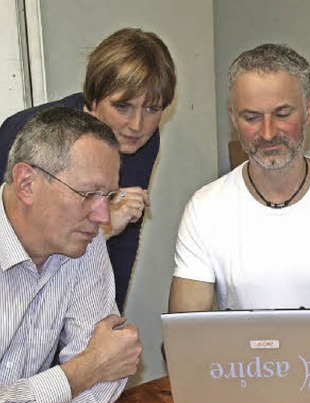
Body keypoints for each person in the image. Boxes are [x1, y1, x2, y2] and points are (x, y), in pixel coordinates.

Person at [169, 43, 310, 365]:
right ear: (233, 117)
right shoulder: (205, 207)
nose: (267, 133)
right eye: (251, 117)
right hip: (244, 378)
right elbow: (182, 336)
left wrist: (300, 364)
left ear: (309, 111)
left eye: (282, 114)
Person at [0, 108, 143, 403]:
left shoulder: (84, 241)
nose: (102, 216)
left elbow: (107, 382)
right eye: (87, 194)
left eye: (109, 196)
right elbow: (97, 367)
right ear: (26, 183)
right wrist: (82, 369)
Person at [0, 27, 177, 312]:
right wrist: (103, 230)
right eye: (123, 106)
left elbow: (123, 241)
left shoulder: (139, 142)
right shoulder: (27, 134)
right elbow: (21, 250)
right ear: (92, 100)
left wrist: (108, 319)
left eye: (152, 109)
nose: (137, 125)